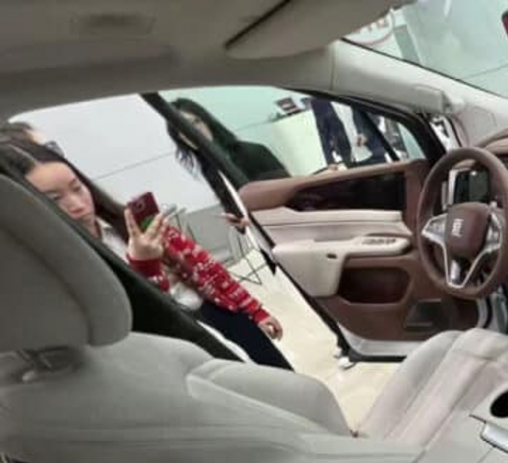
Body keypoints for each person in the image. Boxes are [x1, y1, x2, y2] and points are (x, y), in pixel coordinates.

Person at [0, 140, 292, 370]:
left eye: (77, 187)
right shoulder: (63, 267)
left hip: (218, 312)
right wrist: (145, 266)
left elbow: (207, 266)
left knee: (286, 383)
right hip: (176, 342)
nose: (77, 204)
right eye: (54, 199)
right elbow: (147, 321)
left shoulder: (130, 223)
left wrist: (255, 311)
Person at [167, 98, 289, 183]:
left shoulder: (253, 152)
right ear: (179, 137)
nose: (192, 131)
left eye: (195, 122)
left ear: (207, 122)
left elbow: (289, 191)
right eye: (182, 129)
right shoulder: (209, 169)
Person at [310, 98, 354, 168]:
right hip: (345, 148)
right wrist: (330, 160)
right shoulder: (317, 101)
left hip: (368, 141)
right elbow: (323, 133)